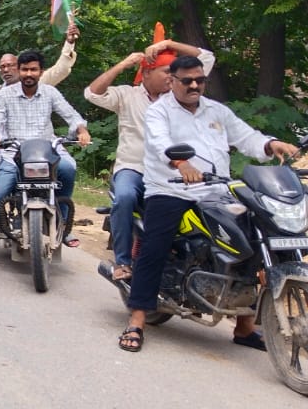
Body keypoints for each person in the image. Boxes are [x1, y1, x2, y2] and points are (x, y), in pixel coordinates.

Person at [118, 55, 296, 353]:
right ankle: (136, 320)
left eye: (199, 80)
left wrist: (270, 144)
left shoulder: (216, 110)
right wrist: (181, 164)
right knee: (154, 246)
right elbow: (159, 142)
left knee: (254, 240)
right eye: (187, 80)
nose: (194, 85)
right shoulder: (159, 111)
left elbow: (246, 136)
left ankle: (244, 327)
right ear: (172, 81)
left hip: (217, 189)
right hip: (171, 189)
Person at [85, 39, 214, 281]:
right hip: (133, 169)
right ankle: (122, 262)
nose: (172, 77)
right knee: (124, 198)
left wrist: (169, 43)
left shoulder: (180, 96)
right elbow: (92, 93)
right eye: (166, 71)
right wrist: (123, 64)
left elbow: (206, 57)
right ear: (146, 73)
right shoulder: (127, 95)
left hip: (173, 173)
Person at [0, 50, 91, 269]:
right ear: (19, 71)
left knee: (69, 168)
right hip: (14, 153)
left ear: (41, 71)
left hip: (47, 150)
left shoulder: (50, 92)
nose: (29, 73)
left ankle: (63, 224)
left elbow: (70, 114)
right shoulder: (5, 94)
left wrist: (81, 130)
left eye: (33, 69)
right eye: (25, 69)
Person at [0, 23, 80, 100]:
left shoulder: (37, 83)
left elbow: (61, 69)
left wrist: (69, 43)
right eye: (2, 67)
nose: (6, 70)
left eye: (10, 65)